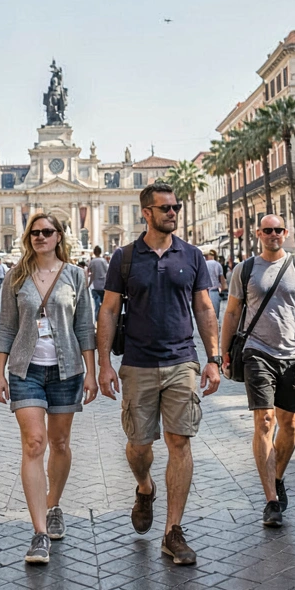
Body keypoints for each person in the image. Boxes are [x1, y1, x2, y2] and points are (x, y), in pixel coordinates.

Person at [97, 182, 220, 566]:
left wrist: (213, 357)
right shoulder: (125, 257)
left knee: (180, 442)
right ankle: (145, 487)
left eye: (176, 207)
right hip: (137, 363)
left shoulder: (193, 255)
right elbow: (108, 311)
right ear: (146, 213)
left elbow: (204, 308)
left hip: (182, 360)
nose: (173, 213)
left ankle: (173, 531)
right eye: (165, 208)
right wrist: (103, 363)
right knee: (139, 445)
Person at [0, 215, 97, 564]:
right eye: (34, 232)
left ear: (59, 237)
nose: (40, 237)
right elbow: (6, 327)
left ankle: (54, 504)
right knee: (35, 442)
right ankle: (39, 533)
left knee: (60, 443)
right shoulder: (16, 276)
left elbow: (85, 328)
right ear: (28, 237)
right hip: (26, 369)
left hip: (67, 370)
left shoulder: (76, 276)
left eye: (47, 232)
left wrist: (91, 373)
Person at [221, 214, 295, 529]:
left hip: (294, 354)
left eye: (278, 229)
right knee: (264, 420)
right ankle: (270, 500)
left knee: (290, 427)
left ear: (286, 233)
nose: (273, 234)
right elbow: (231, 311)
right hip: (257, 352)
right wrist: (223, 354)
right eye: (267, 230)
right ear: (258, 234)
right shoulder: (245, 269)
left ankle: (277, 477)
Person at [87, 246, 109, 316]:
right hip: (104, 285)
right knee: (104, 304)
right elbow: (107, 272)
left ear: (94, 252)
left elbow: (90, 273)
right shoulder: (103, 261)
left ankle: (96, 319)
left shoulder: (92, 261)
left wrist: (88, 284)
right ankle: (103, 317)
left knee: (96, 304)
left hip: (95, 285)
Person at [204, 250, 225, 320]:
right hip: (215, 291)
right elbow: (221, 279)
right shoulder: (218, 264)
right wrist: (222, 290)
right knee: (215, 316)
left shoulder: (203, 264)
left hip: (204, 292)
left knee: (205, 316)